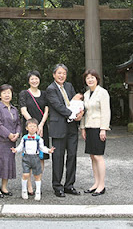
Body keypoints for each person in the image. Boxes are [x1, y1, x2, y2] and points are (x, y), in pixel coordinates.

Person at [46, 63, 83, 197]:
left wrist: (80, 113)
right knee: (58, 157)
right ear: (54, 74)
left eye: (64, 73)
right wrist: (73, 115)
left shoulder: (69, 86)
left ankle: (69, 185)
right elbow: (58, 106)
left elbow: (76, 102)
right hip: (59, 127)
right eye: (59, 73)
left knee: (72, 156)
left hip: (72, 127)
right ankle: (57, 186)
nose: (62, 75)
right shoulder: (50, 89)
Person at [79, 69, 111, 196]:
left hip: (98, 127)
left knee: (98, 156)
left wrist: (103, 128)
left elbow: (106, 112)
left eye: (92, 77)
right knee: (92, 156)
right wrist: (82, 128)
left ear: (97, 79)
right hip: (89, 127)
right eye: (88, 78)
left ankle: (102, 185)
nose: (90, 80)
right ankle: (96, 183)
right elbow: (83, 113)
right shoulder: (86, 94)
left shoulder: (102, 93)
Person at [18, 70, 50, 196]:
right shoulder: (24, 94)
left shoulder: (44, 94)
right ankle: (29, 185)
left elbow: (47, 110)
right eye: (32, 79)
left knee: (40, 156)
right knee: (29, 156)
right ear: (28, 80)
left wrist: (40, 125)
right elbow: (23, 110)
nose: (34, 80)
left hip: (42, 128)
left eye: (36, 78)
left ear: (39, 79)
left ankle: (38, 182)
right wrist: (33, 126)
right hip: (29, 128)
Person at [0, 84, 21, 198]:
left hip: (11, 141)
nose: (7, 95)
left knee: (8, 163)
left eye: (9, 92)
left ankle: (4, 187)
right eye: (4, 93)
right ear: (0, 95)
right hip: (0, 140)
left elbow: (18, 123)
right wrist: (9, 134)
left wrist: (17, 134)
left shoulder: (14, 109)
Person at [11, 118, 55, 201]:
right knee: (25, 174)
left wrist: (49, 150)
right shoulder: (24, 138)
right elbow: (21, 147)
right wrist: (16, 150)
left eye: (34, 126)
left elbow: (42, 148)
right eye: (30, 126)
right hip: (26, 157)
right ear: (26, 128)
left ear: (37, 128)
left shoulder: (39, 139)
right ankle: (24, 190)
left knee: (37, 175)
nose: (32, 128)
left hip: (36, 157)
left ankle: (38, 191)